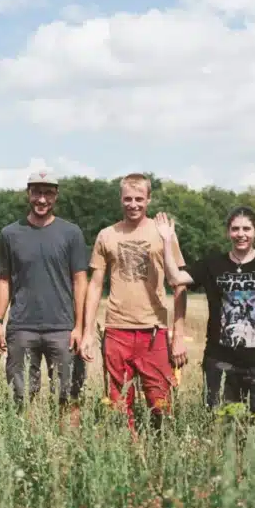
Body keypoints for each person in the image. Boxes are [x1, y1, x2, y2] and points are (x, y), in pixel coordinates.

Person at [155, 206, 255, 415]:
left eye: (246, 229)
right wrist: (166, 241)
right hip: (220, 362)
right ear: (228, 232)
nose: (241, 234)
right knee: (219, 424)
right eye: (235, 229)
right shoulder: (212, 264)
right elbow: (175, 279)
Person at [80, 173, 188, 432]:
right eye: (128, 199)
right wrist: (87, 332)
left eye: (139, 199)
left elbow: (179, 284)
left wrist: (179, 336)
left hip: (154, 331)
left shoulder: (164, 234)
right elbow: (95, 285)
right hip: (117, 330)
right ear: (120, 199)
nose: (133, 204)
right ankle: (127, 456)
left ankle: (162, 455)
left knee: (161, 403)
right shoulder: (107, 235)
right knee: (118, 406)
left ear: (149, 199)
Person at [0, 170, 88, 412]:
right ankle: (26, 448)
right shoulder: (10, 234)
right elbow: (3, 280)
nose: (42, 199)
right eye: (36, 192)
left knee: (69, 396)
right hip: (22, 327)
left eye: (48, 193)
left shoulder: (71, 233)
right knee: (21, 398)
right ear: (28, 194)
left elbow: (80, 280)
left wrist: (79, 327)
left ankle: (67, 449)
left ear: (56, 196)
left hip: (62, 329)